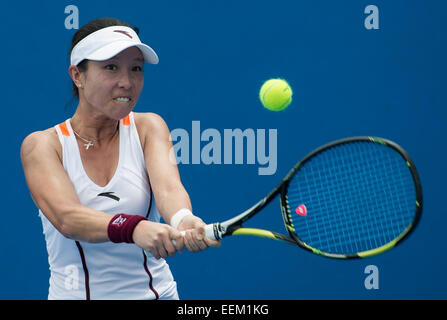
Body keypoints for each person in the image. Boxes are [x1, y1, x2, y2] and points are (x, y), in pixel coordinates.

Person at [20, 17, 219, 300]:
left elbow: (169, 189)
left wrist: (183, 219)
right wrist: (133, 227)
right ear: (78, 75)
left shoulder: (149, 127)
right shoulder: (42, 146)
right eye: (111, 67)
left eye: (136, 69)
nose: (127, 82)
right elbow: (67, 218)